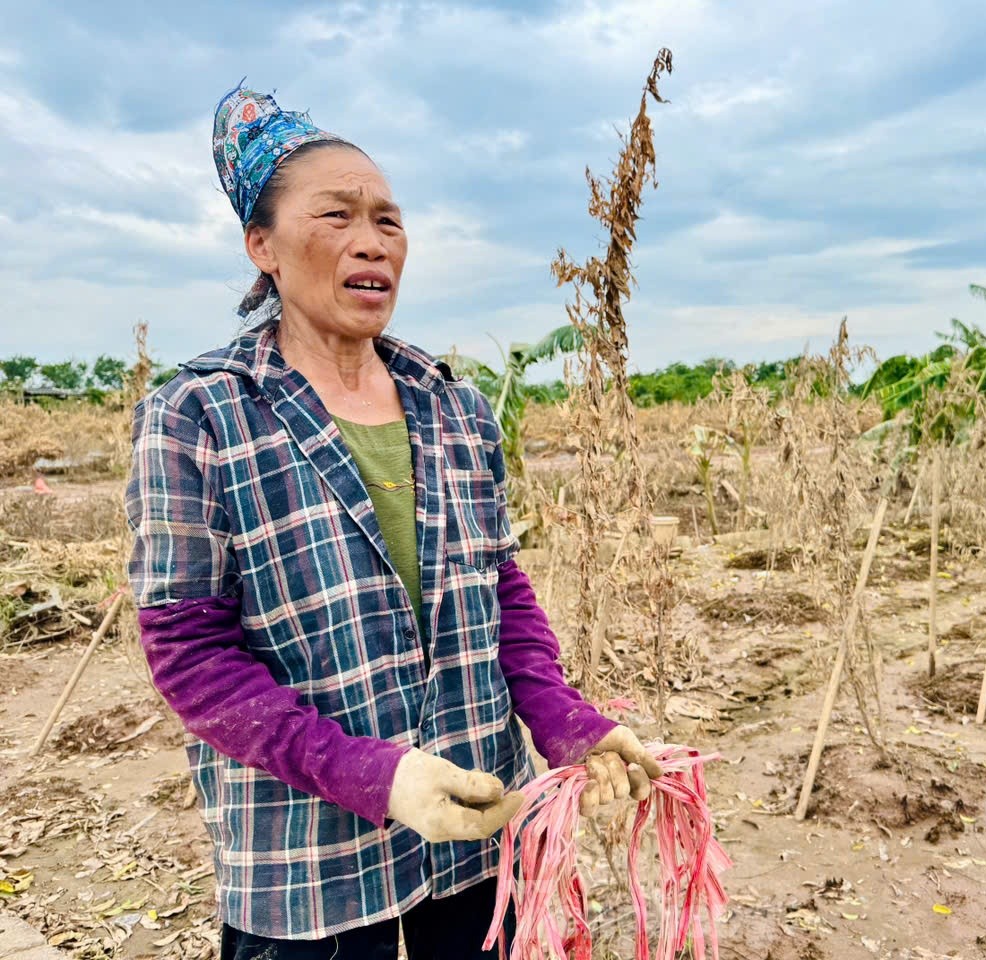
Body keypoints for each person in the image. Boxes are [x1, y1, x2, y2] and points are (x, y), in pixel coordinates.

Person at [125, 82, 660, 960]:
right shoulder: (197, 415)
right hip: (307, 862)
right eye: (335, 216)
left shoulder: (454, 407)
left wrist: (568, 721)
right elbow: (193, 657)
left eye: (389, 219)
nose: (371, 240)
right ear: (263, 246)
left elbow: (500, 592)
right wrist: (376, 775)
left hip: (479, 821)